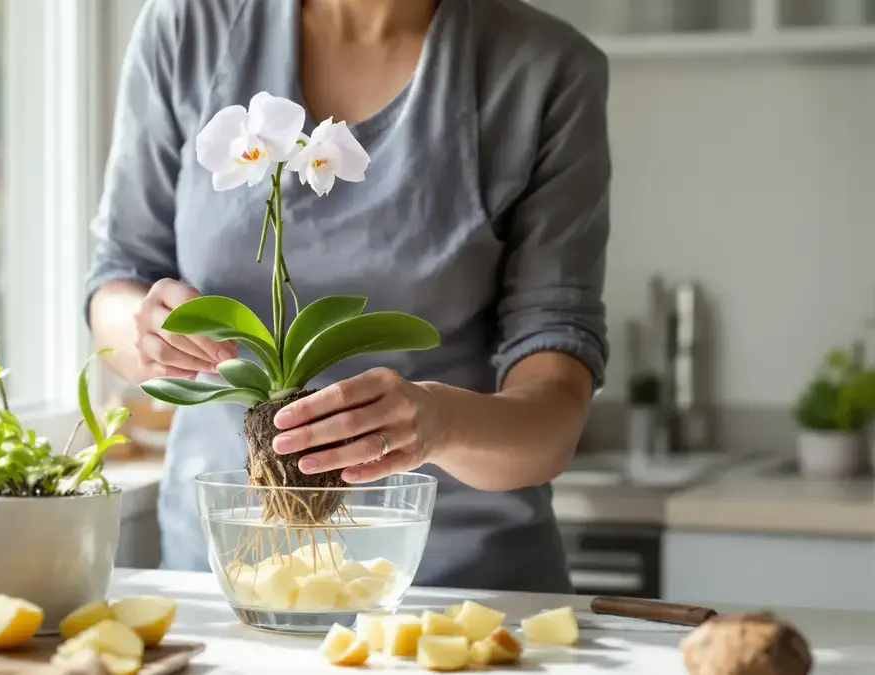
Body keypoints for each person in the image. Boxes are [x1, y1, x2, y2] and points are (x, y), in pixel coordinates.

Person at [85, 0, 610, 593]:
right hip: (234, 576)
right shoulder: (190, 26)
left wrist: (440, 422)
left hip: (458, 591)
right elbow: (117, 277)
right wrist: (150, 332)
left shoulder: (544, 69)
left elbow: (555, 409)